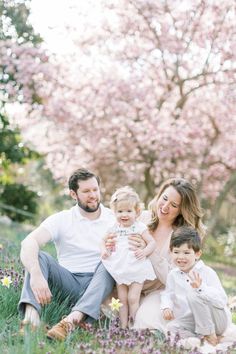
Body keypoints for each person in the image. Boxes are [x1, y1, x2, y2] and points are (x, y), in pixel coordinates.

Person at [18, 168, 116, 340]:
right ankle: (30, 322)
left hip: (100, 285)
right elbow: (28, 242)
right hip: (68, 282)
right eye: (86, 191)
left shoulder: (114, 218)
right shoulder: (62, 219)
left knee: (109, 262)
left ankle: (68, 323)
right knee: (39, 257)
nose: (92, 195)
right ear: (73, 194)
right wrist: (36, 274)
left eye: (95, 189)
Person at [126, 178, 206, 330]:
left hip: (156, 292)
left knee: (145, 321)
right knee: (109, 308)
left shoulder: (181, 236)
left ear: (182, 210)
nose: (165, 207)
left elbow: (174, 277)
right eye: (164, 198)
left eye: (174, 205)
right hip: (127, 286)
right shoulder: (140, 218)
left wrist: (150, 250)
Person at [160, 226, 232, 346]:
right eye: (176, 252)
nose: (181, 257)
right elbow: (168, 293)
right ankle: (199, 340)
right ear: (170, 252)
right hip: (194, 321)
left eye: (186, 253)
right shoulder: (173, 274)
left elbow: (221, 301)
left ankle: (210, 335)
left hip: (216, 320)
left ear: (197, 254)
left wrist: (201, 288)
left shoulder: (207, 272)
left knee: (194, 294)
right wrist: (166, 307)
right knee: (171, 328)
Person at [101, 186, 156, 328]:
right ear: (114, 212)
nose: (124, 215)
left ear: (137, 212)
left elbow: (152, 242)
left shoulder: (139, 227)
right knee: (122, 299)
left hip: (137, 267)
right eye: (120, 211)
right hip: (120, 267)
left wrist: (145, 252)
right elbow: (102, 240)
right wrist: (104, 250)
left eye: (128, 211)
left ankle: (136, 326)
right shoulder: (114, 227)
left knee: (132, 298)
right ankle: (123, 327)